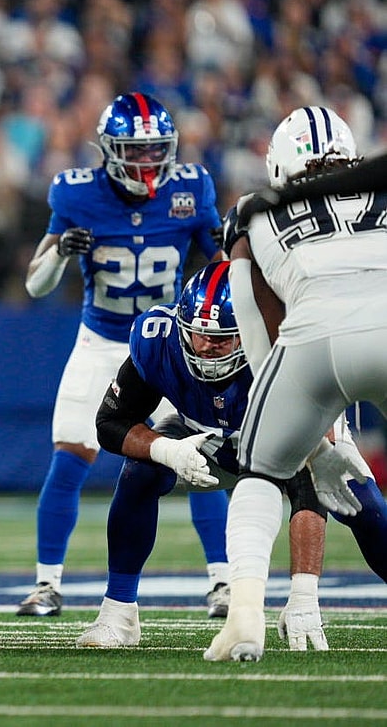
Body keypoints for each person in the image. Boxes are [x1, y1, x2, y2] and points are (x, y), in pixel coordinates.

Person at [78, 261, 387, 649]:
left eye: (221, 339)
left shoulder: (289, 346)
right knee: (140, 470)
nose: (206, 347)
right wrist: (167, 449)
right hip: (201, 435)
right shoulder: (160, 339)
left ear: (249, 331)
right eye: (197, 335)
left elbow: (308, 474)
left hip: (285, 434)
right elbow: (111, 422)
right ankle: (117, 614)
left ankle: (303, 605)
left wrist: (303, 593)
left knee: (364, 509)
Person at [19, 92, 226, 618]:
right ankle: (47, 584)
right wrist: (59, 252)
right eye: (135, 151)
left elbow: (224, 268)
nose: (147, 162)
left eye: (156, 150)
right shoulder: (76, 193)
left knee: (199, 459)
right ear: (109, 152)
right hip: (102, 340)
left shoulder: (190, 188)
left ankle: (223, 582)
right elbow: (36, 285)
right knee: (70, 457)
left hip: (170, 344)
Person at [208, 106, 387, 662]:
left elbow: (256, 316)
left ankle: (243, 616)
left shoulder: (251, 214)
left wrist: (300, 436)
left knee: (259, 472)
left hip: (309, 341)